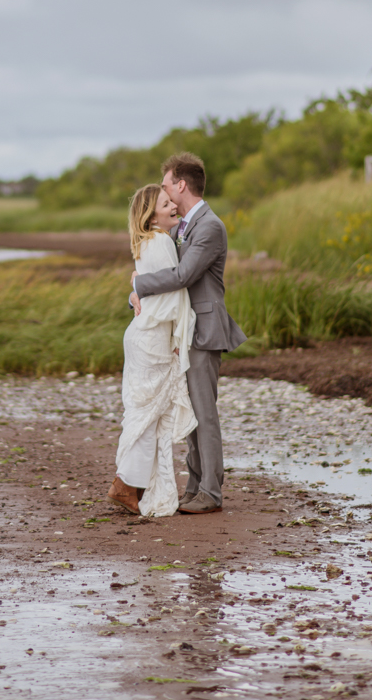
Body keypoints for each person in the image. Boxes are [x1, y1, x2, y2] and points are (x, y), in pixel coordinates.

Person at [129, 152, 246, 514]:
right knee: (191, 412)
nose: (163, 191)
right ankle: (195, 487)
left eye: (165, 185)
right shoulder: (184, 227)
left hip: (204, 329)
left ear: (181, 185)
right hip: (186, 330)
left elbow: (182, 277)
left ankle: (211, 492)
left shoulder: (210, 226)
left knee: (204, 413)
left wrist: (139, 284)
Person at [109, 184, 198, 517]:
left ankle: (132, 483)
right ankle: (125, 485)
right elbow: (174, 292)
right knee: (148, 416)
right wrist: (179, 339)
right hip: (152, 338)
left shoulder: (145, 243)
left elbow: (150, 288)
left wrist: (135, 290)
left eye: (171, 200)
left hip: (142, 335)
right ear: (152, 215)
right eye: (165, 203)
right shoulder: (160, 241)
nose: (173, 205)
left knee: (144, 413)